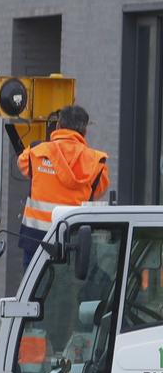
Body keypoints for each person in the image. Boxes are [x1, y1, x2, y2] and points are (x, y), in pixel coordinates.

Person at [15, 105, 109, 258]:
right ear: (84, 131)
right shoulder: (97, 162)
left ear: (58, 126)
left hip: (36, 241)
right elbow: (99, 192)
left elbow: (22, 165)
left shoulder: (36, 151)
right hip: (74, 243)